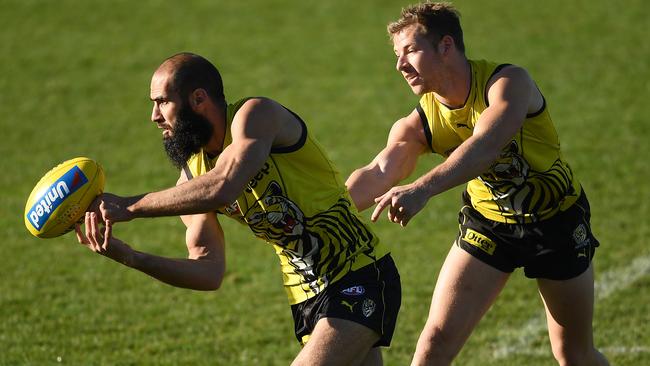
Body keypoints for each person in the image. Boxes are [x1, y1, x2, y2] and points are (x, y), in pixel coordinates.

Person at [75, 52, 401, 366]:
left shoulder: (255, 116)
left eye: (162, 102)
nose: (154, 116)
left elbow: (224, 184)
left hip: (359, 271)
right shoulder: (192, 177)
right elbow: (208, 270)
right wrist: (131, 257)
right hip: (305, 298)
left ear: (198, 99)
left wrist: (131, 206)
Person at [345, 3, 609, 365]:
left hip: (556, 222)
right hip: (489, 226)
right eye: (396, 55)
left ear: (446, 46)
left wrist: (421, 189)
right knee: (433, 344)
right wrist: (324, 212)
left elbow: (485, 146)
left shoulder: (509, 84)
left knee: (573, 355)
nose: (400, 65)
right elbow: (378, 172)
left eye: (410, 51)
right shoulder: (419, 123)